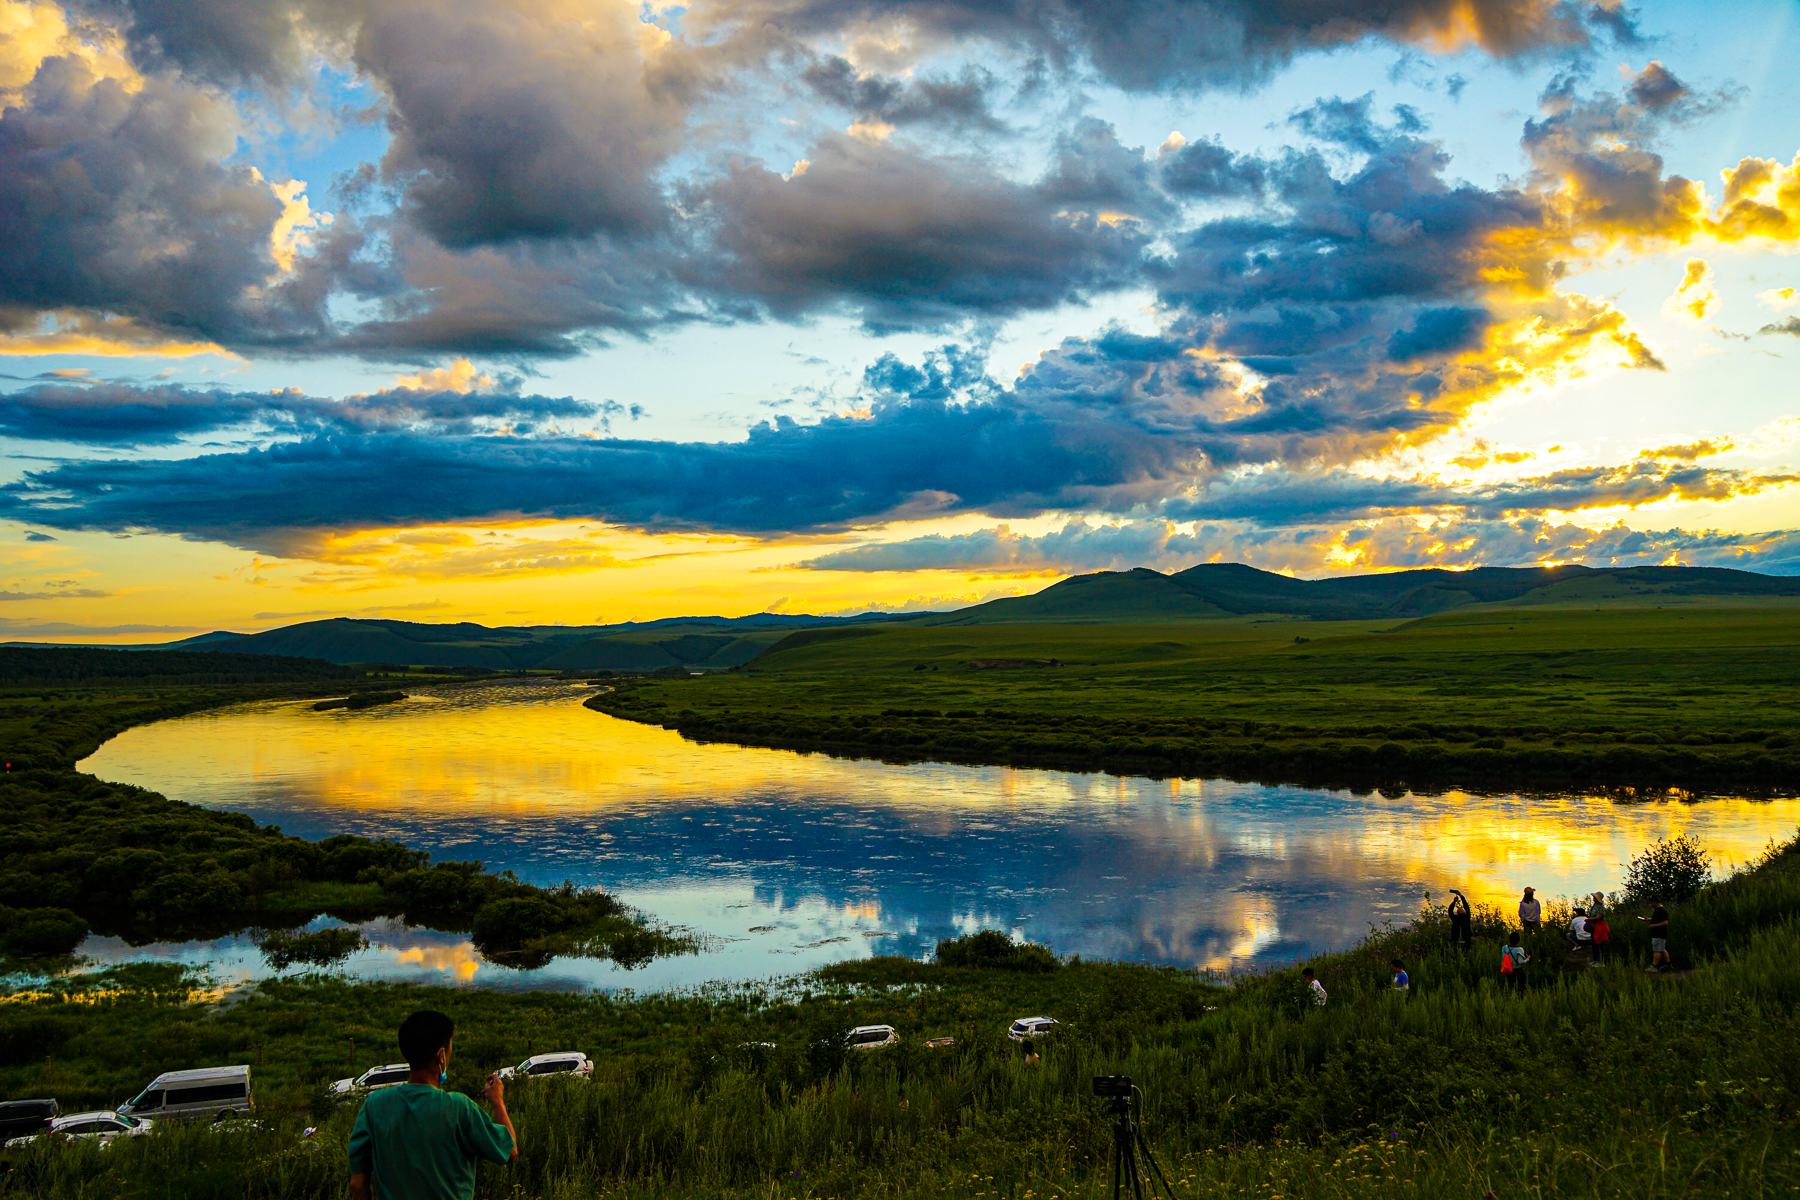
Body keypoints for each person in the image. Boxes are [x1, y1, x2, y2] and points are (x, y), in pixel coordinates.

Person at [348, 1010, 517, 1200]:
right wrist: (498, 1102)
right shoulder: (459, 1108)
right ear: (441, 1056)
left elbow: (358, 1184)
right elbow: (509, 1152)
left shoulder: (374, 1106)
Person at [1638, 898, 1671, 972]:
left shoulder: (1663, 911)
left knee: (1657, 950)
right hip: (1657, 934)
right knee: (1662, 949)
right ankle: (1668, 964)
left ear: (1655, 902)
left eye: (1651, 903)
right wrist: (1650, 919)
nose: (1650, 905)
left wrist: (1654, 925)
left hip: (1659, 934)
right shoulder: (1657, 911)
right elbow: (1658, 919)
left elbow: (1665, 922)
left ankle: (1653, 966)